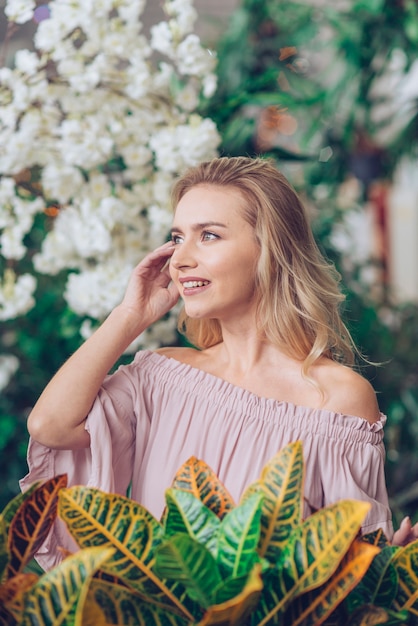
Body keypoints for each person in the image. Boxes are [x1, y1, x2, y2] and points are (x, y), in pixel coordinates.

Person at [21, 156, 417, 570]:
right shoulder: (161, 378)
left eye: (208, 235)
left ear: (271, 249)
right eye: (177, 237)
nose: (180, 259)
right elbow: (51, 426)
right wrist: (128, 316)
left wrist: (393, 568)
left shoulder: (335, 400)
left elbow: (349, 570)